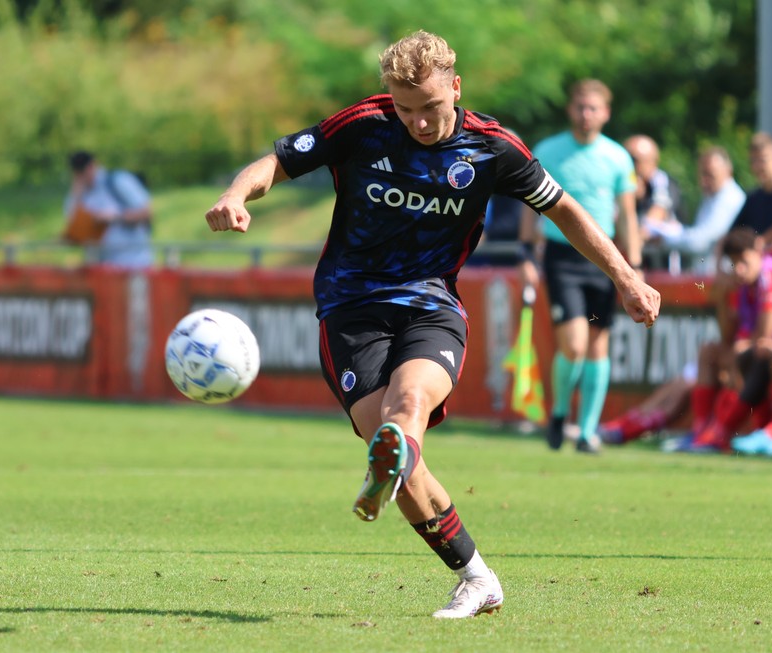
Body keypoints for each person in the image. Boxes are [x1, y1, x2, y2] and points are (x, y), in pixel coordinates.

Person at [205, 31, 660, 619]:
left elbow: (564, 209)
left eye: (431, 107)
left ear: (456, 88)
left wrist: (626, 277)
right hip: (350, 308)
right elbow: (279, 162)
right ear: (388, 98)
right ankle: (476, 576)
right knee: (390, 442)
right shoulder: (362, 125)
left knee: (407, 405)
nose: (418, 122)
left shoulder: (493, 148)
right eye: (405, 109)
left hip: (430, 304)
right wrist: (236, 194)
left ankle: (394, 454)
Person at [519, 79, 644, 455]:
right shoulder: (548, 150)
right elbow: (530, 206)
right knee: (572, 343)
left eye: (593, 108)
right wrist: (527, 254)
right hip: (561, 256)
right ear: (570, 110)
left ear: (605, 113)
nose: (586, 114)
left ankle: (587, 431)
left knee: (598, 344)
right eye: (580, 107)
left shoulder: (618, 157)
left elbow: (627, 216)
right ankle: (560, 412)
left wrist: (632, 266)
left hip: (604, 259)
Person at [666, 226, 772, 453]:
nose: (739, 268)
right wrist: (722, 298)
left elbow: (764, 337)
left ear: (758, 252)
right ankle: (702, 431)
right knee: (712, 352)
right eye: (734, 262)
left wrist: (739, 352)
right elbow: (731, 335)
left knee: (764, 356)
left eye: (743, 260)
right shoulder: (746, 286)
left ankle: (737, 433)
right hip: (769, 352)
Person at [646, 146, 746, 274]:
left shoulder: (729, 198)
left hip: (722, 280)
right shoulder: (712, 196)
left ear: (728, 171)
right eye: (702, 174)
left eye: (710, 174)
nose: (704, 180)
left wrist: (666, 239)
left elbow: (700, 242)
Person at [64, 151, 154, 268]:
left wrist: (115, 217)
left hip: (134, 262)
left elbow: (146, 212)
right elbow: (72, 226)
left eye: (83, 172)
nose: (83, 177)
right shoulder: (81, 192)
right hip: (100, 265)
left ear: (92, 166)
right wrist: (76, 195)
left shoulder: (117, 181)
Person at [624, 135, 683, 259]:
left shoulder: (664, 182)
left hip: (662, 262)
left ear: (653, 161)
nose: (629, 164)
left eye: (634, 159)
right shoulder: (624, 183)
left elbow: (654, 219)